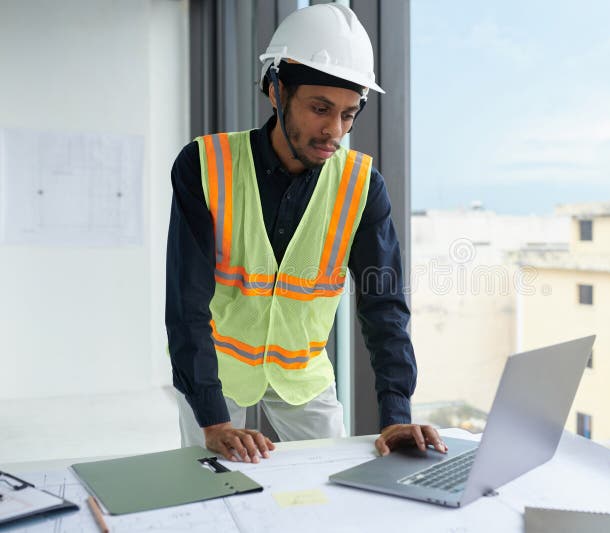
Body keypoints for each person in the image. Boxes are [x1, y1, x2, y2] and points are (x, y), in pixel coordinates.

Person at [166, 3, 445, 463]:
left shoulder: (361, 185)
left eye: (348, 114)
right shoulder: (205, 165)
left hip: (305, 374)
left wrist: (396, 413)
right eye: (320, 108)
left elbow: (384, 305)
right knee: (207, 484)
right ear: (276, 90)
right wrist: (213, 421)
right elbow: (185, 301)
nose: (334, 131)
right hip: (217, 370)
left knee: (328, 490)